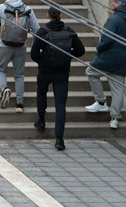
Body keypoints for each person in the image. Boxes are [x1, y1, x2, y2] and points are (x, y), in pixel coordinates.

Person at [30, 8, 85, 151]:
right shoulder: (69, 31)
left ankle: (41, 121)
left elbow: (34, 54)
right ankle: (59, 139)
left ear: (48, 15)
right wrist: (67, 55)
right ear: (60, 16)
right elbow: (81, 51)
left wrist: (43, 61)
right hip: (62, 72)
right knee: (60, 104)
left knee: (41, 92)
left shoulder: (42, 32)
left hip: (45, 71)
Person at [85, 0, 126, 129]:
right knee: (118, 88)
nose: (113, 4)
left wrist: (99, 47)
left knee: (90, 72)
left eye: (116, 2)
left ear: (122, 4)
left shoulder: (115, 20)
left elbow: (106, 39)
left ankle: (101, 102)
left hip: (108, 57)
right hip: (123, 59)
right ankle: (115, 119)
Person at [0, 0, 39, 112]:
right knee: (19, 75)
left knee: (0, 69)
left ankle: (4, 89)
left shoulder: (2, 7)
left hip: (4, 45)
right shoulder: (28, 10)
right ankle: (19, 104)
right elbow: (37, 30)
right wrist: (35, 46)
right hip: (20, 46)